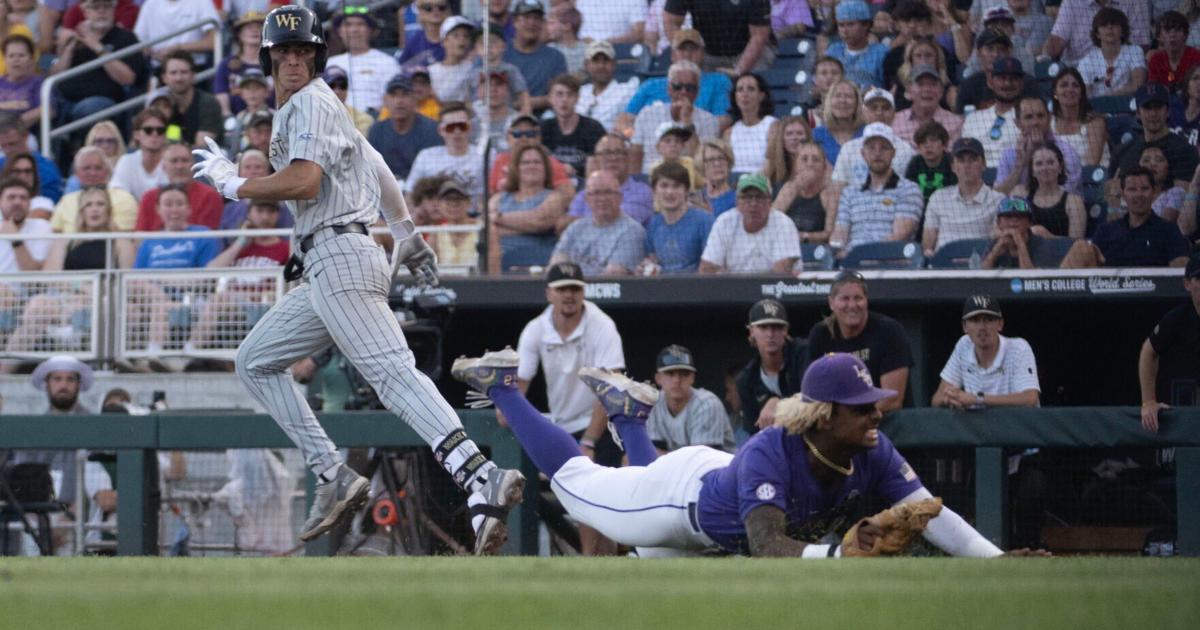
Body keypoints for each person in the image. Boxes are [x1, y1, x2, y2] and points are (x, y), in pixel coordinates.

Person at [189, 5, 524, 554]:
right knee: (255, 360)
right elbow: (376, 166)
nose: (293, 60)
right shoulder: (321, 107)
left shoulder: (311, 103)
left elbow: (303, 181)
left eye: (303, 52)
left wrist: (235, 186)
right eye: (284, 52)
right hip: (331, 260)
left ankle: (478, 475)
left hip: (340, 254)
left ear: (316, 57)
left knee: (393, 376)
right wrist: (406, 229)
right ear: (269, 58)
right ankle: (332, 473)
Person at [453, 349, 1041, 558]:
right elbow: (766, 546)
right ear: (827, 414)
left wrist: (994, 562)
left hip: (710, 497)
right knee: (577, 481)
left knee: (649, 571)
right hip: (673, 506)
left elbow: (933, 514)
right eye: (863, 406)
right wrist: (838, 557)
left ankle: (632, 419)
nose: (876, 413)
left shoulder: (873, 447)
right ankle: (504, 383)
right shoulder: (772, 449)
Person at [511, 261, 625, 555]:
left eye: (575, 288)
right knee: (527, 494)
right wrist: (507, 409)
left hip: (602, 426)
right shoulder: (535, 330)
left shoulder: (602, 326)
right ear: (549, 293)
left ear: (583, 292)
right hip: (561, 427)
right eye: (562, 289)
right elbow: (518, 388)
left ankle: (591, 562)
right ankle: (596, 559)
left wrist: (588, 441)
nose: (569, 295)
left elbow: (609, 390)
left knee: (595, 499)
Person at [4, 187, 132, 360]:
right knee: (38, 304)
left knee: (103, 304)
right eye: (89, 205)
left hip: (104, 298)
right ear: (81, 211)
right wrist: (80, 286)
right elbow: (50, 276)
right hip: (67, 297)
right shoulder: (66, 241)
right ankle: (5, 367)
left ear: (108, 210)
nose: (94, 209)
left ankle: (99, 360)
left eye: (100, 204)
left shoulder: (120, 242)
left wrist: (94, 291)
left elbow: (126, 279)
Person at [182, 200, 289, 356]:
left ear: (277, 215)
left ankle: (190, 351)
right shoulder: (238, 246)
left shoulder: (285, 247)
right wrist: (240, 242)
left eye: (270, 212)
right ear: (249, 213)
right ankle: (193, 352)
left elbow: (289, 283)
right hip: (230, 302)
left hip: (264, 302)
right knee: (216, 300)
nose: (265, 217)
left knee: (217, 300)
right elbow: (211, 271)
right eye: (260, 211)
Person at [48, 0, 145, 134]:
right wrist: (69, 49)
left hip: (101, 100)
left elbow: (128, 78)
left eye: (106, 6)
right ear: (85, 12)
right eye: (95, 7)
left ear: (113, 10)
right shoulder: (77, 38)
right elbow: (56, 76)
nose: (101, 11)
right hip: (66, 99)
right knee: (43, 108)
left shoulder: (126, 37)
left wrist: (97, 47)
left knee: (90, 108)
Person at [829, 123, 924, 256]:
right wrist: (835, 251)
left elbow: (899, 236)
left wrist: (857, 254)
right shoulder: (850, 192)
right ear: (863, 153)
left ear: (893, 153)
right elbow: (840, 232)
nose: (877, 153)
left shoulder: (909, 190)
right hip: (852, 263)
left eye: (884, 148)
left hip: (891, 262)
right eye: (871, 148)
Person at [932, 295, 1040, 410]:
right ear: (964, 326)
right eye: (975, 320)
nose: (982, 327)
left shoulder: (1018, 347)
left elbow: (1030, 398)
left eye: (988, 320)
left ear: (1000, 324)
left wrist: (977, 399)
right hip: (979, 427)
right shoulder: (964, 345)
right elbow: (936, 400)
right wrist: (950, 398)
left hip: (1016, 426)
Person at [1139, 254, 1200, 432]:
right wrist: (1148, 401)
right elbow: (1148, 352)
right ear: (1187, 284)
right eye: (1199, 278)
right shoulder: (1179, 318)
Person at [1086, 166, 1192, 267]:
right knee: (1081, 248)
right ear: (1123, 194)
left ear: (1153, 192)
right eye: (1132, 189)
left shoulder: (1169, 231)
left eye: (1144, 189)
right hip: (1111, 285)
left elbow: (1181, 273)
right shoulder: (1106, 231)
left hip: (1156, 286)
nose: (1139, 194)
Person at [699, 173, 801, 274]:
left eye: (759, 197)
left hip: (772, 287)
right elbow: (706, 269)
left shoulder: (783, 224)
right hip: (735, 287)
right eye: (747, 197)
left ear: (769, 201)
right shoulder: (724, 223)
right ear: (737, 202)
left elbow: (781, 273)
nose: (753, 203)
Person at [487, 143, 568, 272]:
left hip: (537, 262)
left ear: (545, 168)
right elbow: (488, 228)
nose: (532, 166)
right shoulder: (498, 198)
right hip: (498, 261)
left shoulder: (554, 197)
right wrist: (527, 227)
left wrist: (498, 218)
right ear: (516, 169)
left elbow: (539, 221)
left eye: (537, 162)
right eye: (526, 162)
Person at [631, 60, 720, 175]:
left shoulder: (709, 121)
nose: (683, 92)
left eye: (690, 88)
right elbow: (635, 155)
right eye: (678, 87)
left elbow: (702, 164)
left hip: (689, 183)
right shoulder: (647, 114)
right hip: (649, 180)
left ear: (697, 92)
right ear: (669, 89)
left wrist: (687, 121)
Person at [549, 169, 645, 275]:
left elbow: (613, 276)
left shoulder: (632, 231)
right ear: (586, 199)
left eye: (608, 192)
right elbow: (555, 265)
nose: (602, 198)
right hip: (571, 288)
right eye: (596, 193)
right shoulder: (576, 227)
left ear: (620, 197)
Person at [922, 138, 1005, 256]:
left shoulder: (998, 200)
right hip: (943, 266)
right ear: (953, 166)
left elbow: (997, 242)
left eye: (973, 160)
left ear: (984, 165)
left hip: (980, 266)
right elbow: (927, 245)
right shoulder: (938, 198)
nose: (967, 165)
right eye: (961, 160)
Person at [736, 298, 807, 435]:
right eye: (763, 327)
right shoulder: (746, 380)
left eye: (776, 327)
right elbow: (754, 433)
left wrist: (777, 403)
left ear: (785, 330)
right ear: (751, 331)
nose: (770, 334)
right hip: (775, 446)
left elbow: (816, 401)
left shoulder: (803, 353)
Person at [648, 344, 736, 453]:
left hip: (718, 468)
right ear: (658, 378)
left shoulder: (707, 403)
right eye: (670, 373)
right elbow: (651, 451)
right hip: (678, 467)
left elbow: (700, 459)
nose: (677, 380)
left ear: (692, 378)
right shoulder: (653, 402)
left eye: (684, 374)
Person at [1110, 83, 1199, 187]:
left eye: (1158, 107)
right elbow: (1109, 193)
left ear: (1168, 111)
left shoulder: (1185, 150)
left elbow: (1184, 196)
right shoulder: (1122, 151)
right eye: (1147, 108)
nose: (1153, 113)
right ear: (1138, 113)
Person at [830, 88, 916, 194]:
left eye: (885, 108)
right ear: (863, 113)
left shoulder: (906, 150)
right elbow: (837, 189)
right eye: (873, 108)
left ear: (894, 114)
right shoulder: (848, 149)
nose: (879, 112)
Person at [993, 96, 1082, 195]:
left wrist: (1041, 151)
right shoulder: (1008, 154)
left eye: (1040, 116)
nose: (1035, 122)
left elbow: (1066, 194)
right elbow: (997, 196)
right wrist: (1020, 165)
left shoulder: (1067, 152)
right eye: (1028, 117)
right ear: (1018, 123)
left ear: (1049, 118)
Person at [564, 134, 654, 228]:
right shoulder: (584, 194)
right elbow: (567, 226)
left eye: (618, 152)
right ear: (596, 160)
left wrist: (579, 222)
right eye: (606, 153)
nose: (613, 158)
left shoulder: (642, 192)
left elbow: (616, 224)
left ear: (628, 158)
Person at [639, 161, 713, 274]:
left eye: (676, 186)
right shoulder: (653, 225)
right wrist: (646, 268)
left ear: (686, 191)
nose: (670, 192)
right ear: (654, 190)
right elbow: (652, 260)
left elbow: (711, 269)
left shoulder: (704, 221)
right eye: (664, 185)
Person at [663, 0, 772, 76]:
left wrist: (740, 70)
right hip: (708, 52)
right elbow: (671, 21)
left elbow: (759, 35)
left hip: (750, 50)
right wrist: (684, 55)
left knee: (750, 85)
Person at [366, 73, 443, 180]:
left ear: (415, 100)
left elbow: (434, 172)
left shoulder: (431, 129)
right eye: (393, 95)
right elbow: (371, 171)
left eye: (405, 94)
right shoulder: (377, 130)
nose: (399, 101)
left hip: (422, 189)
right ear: (385, 101)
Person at [325, 5, 400, 113]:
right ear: (339, 31)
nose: (354, 30)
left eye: (360, 24)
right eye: (348, 25)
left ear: (371, 30)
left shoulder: (387, 62)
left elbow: (395, 99)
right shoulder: (330, 63)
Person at [135, 142, 222, 231]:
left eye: (184, 160)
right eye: (174, 161)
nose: (179, 166)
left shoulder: (210, 196)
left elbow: (207, 237)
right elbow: (140, 238)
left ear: (194, 165)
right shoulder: (149, 198)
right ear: (163, 167)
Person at [404, 101, 484, 199]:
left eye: (462, 126)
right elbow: (410, 193)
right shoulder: (426, 157)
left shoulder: (484, 155)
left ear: (470, 128)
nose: (457, 131)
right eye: (450, 127)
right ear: (441, 130)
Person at [48, 147, 138, 232]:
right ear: (76, 173)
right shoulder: (66, 200)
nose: (92, 173)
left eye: (98, 168)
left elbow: (125, 237)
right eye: (86, 168)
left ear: (107, 171)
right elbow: (55, 234)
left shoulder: (124, 198)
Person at [1010, 143, 1087, 239]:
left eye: (1050, 162)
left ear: (1060, 167)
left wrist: (1048, 237)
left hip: (1061, 253)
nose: (1045, 168)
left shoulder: (1074, 202)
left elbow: (1077, 244)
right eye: (1039, 164)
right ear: (1032, 171)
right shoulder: (1020, 194)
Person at [955, 31, 1040, 116]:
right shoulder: (969, 85)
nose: (995, 54)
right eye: (990, 49)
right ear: (978, 53)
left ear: (1009, 53)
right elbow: (960, 117)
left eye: (1001, 49)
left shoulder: (1027, 82)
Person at [503, 0, 567, 113]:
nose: (532, 23)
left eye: (537, 18)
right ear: (515, 21)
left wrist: (518, 103)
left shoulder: (556, 57)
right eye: (526, 17)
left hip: (545, 122)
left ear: (543, 23)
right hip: (505, 120)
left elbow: (559, 96)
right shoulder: (501, 53)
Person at [961, 57, 1024, 168]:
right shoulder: (974, 119)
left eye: (1013, 78)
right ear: (990, 82)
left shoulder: (1030, 118)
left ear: (1021, 83)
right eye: (1002, 78)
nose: (1008, 83)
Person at [1044, 0, 1149, 67]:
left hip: (1122, 67)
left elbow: (1141, 45)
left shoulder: (1136, 1)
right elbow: (1056, 42)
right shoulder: (1071, 2)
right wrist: (1045, 54)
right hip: (1078, 70)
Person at [541, 74, 606, 178]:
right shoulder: (543, 129)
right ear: (550, 98)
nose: (564, 99)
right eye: (559, 94)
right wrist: (560, 168)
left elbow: (601, 164)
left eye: (570, 94)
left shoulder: (593, 129)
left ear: (577, 98)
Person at [772, 142, 837, 244]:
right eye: (804, 159)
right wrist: (796, 186)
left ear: (824, 167)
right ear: (796, 165)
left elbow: (829, 233)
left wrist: (804, 237)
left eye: (816, 160)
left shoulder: (829, 194)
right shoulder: (789, 187)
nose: (810, 164)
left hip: (815, 251)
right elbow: (771, 220)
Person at [981, 197, 1069, 269]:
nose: (1013, 222)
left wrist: (1020, 244)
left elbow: (1030, 280)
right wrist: (995, 252)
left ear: (1029, 223)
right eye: (1008, 216)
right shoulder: (995, 243)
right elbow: (981, 275)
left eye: (1019, 216)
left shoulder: (1040, 244)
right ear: (998, 223)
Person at [1076, 8, 1146, 99]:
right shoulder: (1086, 62)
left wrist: (1108, 98)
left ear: (1123, 31)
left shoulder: (1135, 51)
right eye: (1104, 25)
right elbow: (1085, 95)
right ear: (1097, 34)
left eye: (1114, 24)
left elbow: (1137, 85)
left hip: (1129, 107)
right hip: (1097, 110)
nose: (1110, 27)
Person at [159, 51, 222, 148]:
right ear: (164, 78)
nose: (178, 78)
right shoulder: (160, 103)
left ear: (193, 75)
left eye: (184, 72)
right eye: (173, 73)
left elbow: (202, 147)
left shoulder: (208, 103)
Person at [892, 64, 962, 150]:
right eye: (920, 84)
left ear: (941, 91)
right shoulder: (894, 121)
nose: (927, 89)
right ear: (909, 91)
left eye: (932, 84)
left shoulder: (956, 123)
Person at [1049, 67, 1109, 167]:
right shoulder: (1048, 122)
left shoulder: (1095, 122)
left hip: (1090, 179)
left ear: (1081, 92)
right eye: (1064, 85)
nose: (1070, 89)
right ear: (1055, 92)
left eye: (1075, 85)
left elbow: (1092, 164)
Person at [213, 11, 268, 118]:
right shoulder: (226, 64)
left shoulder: (275, 62)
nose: (255, 30)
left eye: (259, 26)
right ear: (239, 34)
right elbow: (221, 93)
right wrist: (227, 116)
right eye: (249, 27)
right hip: (235, 120)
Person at [575, 40, 639, 132]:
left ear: (614, 64)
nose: (601, 66)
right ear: (586, 65)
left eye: (606, 60)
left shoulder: (627, 90)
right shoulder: (580, 92)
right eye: (596, 61)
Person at [824, 0, 888, 88]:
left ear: (866, 25)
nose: (845, 31)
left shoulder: (881, 52)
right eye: (841, 25)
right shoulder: (833, 51)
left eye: (850, 24)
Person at [0, 113, 62, 201]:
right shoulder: (1, 163)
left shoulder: (46, 169)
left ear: (26, 137)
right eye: (3, 145)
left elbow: (49, 204)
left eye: (12, 144)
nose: (8, 150)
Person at [723, 72, 776, 175]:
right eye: (740, 90)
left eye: (751, 89)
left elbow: (772, 163)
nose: (745, 94)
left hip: (761, 185)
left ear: (761, 96)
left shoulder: (772, 125)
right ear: (735, 96)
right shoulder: (729, 133)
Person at [0, 176, 49, 273]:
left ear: (30, 204)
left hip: (25, 287)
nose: (17, 202)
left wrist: (16, 241)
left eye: (23, 198)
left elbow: (33, 278)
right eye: (11, 197)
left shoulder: (41, 227)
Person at [428, 179, 479, 270]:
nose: (453, 204)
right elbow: (430, 271)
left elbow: (493, 273)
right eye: (447, 200)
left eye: (458, 199)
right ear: (439, 205)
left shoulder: (482, 230)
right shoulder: (435, 234)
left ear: (469, 203)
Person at [811, 79, 862, 167]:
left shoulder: (869, 133)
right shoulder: (815, 135)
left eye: (848, 96)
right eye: (837, 96)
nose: (843, 100)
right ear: (829, 102)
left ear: (857, 103)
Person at [428, 15, 477, 104]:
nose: (462, 40)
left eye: (466, 36)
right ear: (444, 41)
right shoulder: (431, 71)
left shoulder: (472, 69)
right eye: (456, 35)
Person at [1148, 11, 1200, 92]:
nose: (1172, 35)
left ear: (1185, 35)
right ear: (1159, 36)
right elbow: (1154, 90)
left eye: (1178, 30)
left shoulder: (1196, 56)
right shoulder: (1155, 60)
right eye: (1167, 30)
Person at [0, 34, 42, 129]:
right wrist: (10, 105)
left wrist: (12, 126)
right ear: (5, 60)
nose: (16, 60)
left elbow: (48, 110)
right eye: (11, 56)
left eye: (21, 55)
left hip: (23, 136)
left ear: (31, 59)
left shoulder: (39, 83)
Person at [762, 115, 812, 191]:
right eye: (789, 134)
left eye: (799, 133)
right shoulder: (773, 162)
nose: (795, 138)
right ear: (782, 139)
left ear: (807, 137)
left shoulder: (817, 161)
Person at [1141, 145, 1187, 224]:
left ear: (1168, 166)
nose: (1152, 164)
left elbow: (1163, 225)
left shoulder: (1175, 193)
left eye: (1159, 160)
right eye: (1146, 160)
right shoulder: (1127, 193)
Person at [3, 153, 55, 221]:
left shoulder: (44, 202)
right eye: (17, 171)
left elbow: (21, 224)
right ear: (8, 174)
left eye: (28, 171)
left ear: (35, 176)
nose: (23, 176)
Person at [397, 0, 449, 65]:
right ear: (420, 12)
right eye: (428, 8)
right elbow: (402, 65)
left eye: (441, 7)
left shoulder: (454, 38)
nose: (436, 10)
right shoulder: (415, 41)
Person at [547, 3, 586, 75]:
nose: (548, 28)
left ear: (566, 26)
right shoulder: (549, 49)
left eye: (551, 23)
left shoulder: (587, 50)